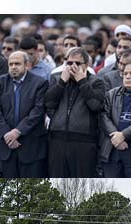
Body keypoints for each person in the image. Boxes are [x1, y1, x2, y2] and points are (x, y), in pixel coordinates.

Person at [44, 47, 105, 177]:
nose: (73, 66)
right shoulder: (56, 78)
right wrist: (62, 82)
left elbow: (95, 105)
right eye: (69, 63)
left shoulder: (96, 82)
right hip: (57, 141)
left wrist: (82, 81)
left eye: (77, 63)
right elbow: (49, 103)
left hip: (84, 143)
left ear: (86, 65)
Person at [0, 51, 49, 177]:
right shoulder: (0, 82)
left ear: (27, 65)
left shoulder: (40, 83)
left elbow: (37, 112)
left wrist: (17, 132)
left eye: (17, 64)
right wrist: (7, 134)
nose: (13, 67)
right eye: (10, 64)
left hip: (30, 147)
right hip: (5, 146)